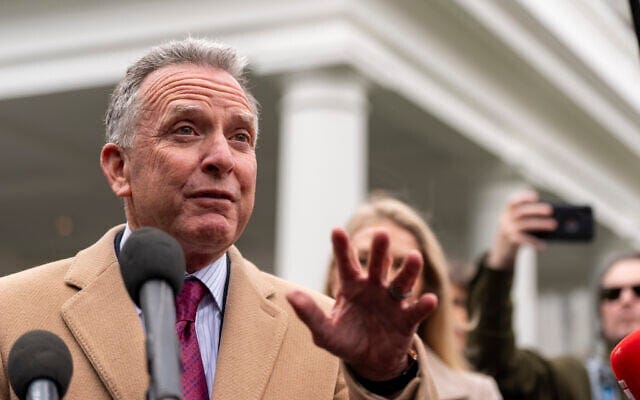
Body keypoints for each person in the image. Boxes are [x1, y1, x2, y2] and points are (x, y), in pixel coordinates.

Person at [0, 39, 440, 399]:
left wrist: (385, 379)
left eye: (240, 137)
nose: (222, 158)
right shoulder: (12, 313)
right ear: (120, 168)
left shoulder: (327, 336)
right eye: (186, 130)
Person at [467, 190, 640, 400]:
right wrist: (499, 266)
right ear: (600, 312)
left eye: (638, 290)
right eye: (612, 294)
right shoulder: (574, 380)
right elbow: (498, 366)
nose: (626, 299)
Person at [325, 195, 502, 400]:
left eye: (402, 266)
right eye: (364, 261)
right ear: (334, 275)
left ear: (427, 287)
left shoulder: (478, 393)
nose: (383, 281)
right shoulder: (297, 364)